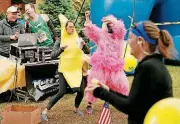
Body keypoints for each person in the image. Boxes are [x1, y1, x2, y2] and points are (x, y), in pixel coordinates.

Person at [85, 21, 174, 124]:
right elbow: (135, 101)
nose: (128, 42)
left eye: (131, 37)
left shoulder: (147, 67)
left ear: (140, 41)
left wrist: (100, 92)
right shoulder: (155, 64)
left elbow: (130, 107)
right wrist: (108, 90)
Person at [41, 20, 89, 121]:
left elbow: (87, 51)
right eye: (70, 27)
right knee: (61, 92)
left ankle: (76, 108)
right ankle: (45, 111)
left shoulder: (77, 39)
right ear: (65, 28)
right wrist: (61, 49)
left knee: (81, 91)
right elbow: (52, 55)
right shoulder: (60, 40)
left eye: (73, 27)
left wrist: (84, 45)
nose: (72, 29)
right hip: (64, 69)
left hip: (76, 69)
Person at [84, 13, 129, 113]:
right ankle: (89, 104)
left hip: (114, 66)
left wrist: (112, 21)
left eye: (108, 24)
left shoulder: (118, 37)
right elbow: (91, 30)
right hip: (101, 64)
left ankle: (122, 102)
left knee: (120, 84)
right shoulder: (101, 35)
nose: (106, 26)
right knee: (94, 82)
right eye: (106, 24)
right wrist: (87, 18)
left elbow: (120, 29)